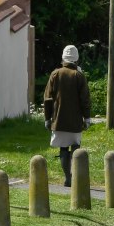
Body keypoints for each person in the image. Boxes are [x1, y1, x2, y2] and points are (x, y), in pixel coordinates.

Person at [43, 45, 91, 187]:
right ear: (76, 59)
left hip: (58, 119)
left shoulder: (55, 74)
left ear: (63, 57)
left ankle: (67, 177)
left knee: (63, 148)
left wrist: (47, 118)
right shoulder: (79, 76)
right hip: (75, 121)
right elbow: (85, 100)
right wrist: (87, 117)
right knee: (75, 147)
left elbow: (47, 98)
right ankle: (75, 176)